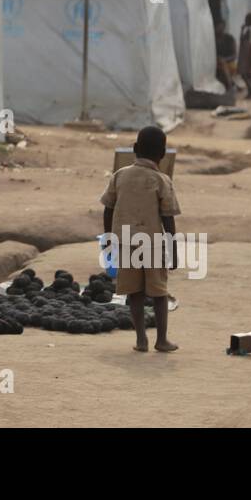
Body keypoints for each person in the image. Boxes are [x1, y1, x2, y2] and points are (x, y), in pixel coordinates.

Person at [99, 125, 180, 353]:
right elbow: (168, 219)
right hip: (152, 244)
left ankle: (141, 340)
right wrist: (173, 251)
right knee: (159, 292)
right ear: (162, 154)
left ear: (134, 148)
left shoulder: (120, 176)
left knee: (134, 293)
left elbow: (107, 208)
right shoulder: (162, 181)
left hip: (125, 242)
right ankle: (161, 340)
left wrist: (108, 239)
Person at [238, 12, 251, 100]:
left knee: (244, 74)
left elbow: (242, 40)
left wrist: (242, 30)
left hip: (246, 53)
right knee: (248, 74)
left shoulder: (248, 30)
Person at [214, 19, 238, 93]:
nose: (219, 28)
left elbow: (234, 55)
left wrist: (224, 59)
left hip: (229, 63)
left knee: (223, 65)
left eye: (220, 26)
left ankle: (229, 86)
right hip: (216, 63)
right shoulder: (212, 39)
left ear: (224, 27)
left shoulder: (229, 38)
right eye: (217, 27)